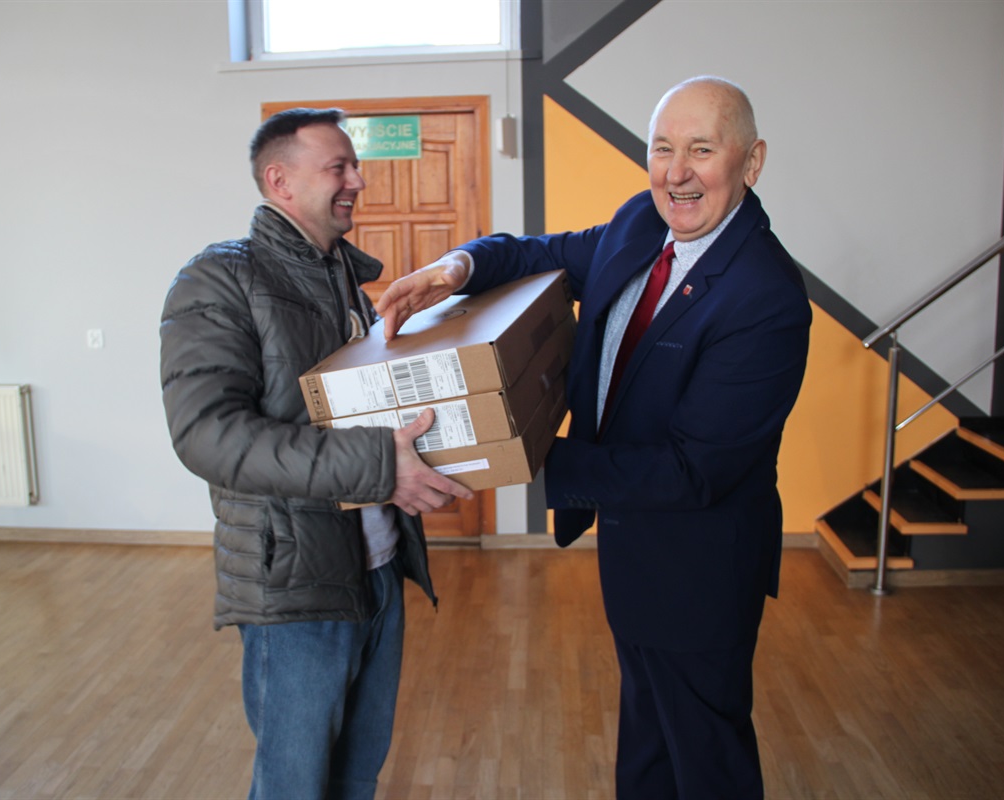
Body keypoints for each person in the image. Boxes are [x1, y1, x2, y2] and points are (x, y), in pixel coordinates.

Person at [376, 77, 812, 799]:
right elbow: (539, 253)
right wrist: (456, 269)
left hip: (699, 570)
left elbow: (692, 471)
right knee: (646, 737)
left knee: (706, 755)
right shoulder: (642, 222)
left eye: (702, 150)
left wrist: (519, 451)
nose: (677, 172)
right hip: (632, 549)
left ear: (752, 161)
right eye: (662, 149)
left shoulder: (765, 297)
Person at [159, 107, 473, 800]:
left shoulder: (346, 285)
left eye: (353, 166)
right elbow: (207, 433)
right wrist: (382, 465)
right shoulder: (217, 281)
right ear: (280, 181)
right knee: (295, 783)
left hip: (378, 567)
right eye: (339, 167)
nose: (357, 181)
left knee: (356, 774)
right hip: (296, 585)